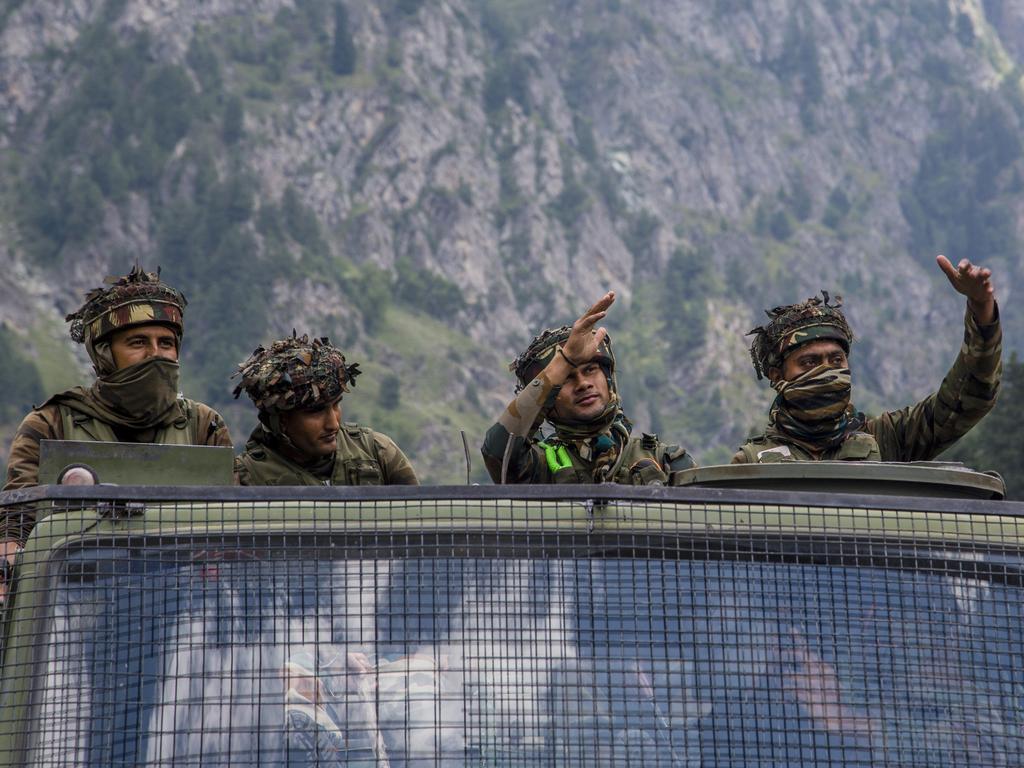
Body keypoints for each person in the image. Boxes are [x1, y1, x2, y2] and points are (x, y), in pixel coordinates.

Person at [1, 265, 232, 595]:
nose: (156, 355)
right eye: (138, 342)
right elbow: (16, 528)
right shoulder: (52, 424)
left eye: (166, 343)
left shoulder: (203, 426)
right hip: (74, 610)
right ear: (105, 354)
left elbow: (234, 532)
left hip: (186, 614)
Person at [733, 255, 1001, 463]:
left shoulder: (885, 439)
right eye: (810, 363)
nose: (827, 371)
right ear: (778, 377)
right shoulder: (751, 463)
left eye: (836, 360)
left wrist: (981, 309)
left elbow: (965, 400)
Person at [481, 291, 695, 484]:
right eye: (566, 378)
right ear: (549, 398)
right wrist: (563, 361)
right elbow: (497, 453)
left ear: (607, 377)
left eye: (590, 369)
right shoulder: (541, 466)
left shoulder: (666, 461)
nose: (583, 384)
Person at [232, 333, 418, 486]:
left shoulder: (377, 451)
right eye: (316, 411)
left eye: (336, 404)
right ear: (281, 420)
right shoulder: (246, 478)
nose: (333, 424)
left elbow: (421, 522)